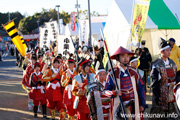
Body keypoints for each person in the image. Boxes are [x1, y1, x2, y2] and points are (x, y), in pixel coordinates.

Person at [105, 46, 146, 120]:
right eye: (123, 56)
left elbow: (141, 88)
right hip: (119, 108)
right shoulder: (112, 73)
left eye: (127, 56)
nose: (126, 58)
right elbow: (106, 92)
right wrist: (114, 93)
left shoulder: (134, 72)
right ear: (118, 58)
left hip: (133, 106)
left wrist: (142, 104)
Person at [150, 38, 179, 120]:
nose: (169, 52)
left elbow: (176, 77)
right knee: (159, 116)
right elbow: (154, 83)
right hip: (161, 94)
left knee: (172, 114)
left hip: (172, 93)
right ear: (161, 52)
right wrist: (157, 96)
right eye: (166, 50)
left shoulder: (172, 62)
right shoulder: (156, 64)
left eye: (169, 50)